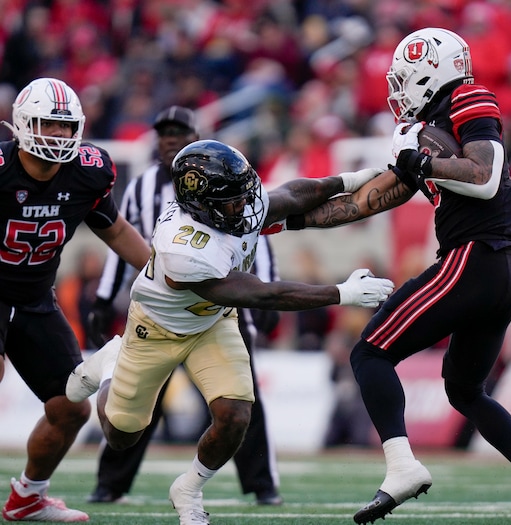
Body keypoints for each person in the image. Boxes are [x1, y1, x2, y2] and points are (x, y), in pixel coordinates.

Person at [278, 27, 511, 525]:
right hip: (501, 271)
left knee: (369, 352)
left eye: (403, 78)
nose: (396, 90)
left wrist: (425, 160)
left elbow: (485, 176)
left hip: (475, 257)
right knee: (465, 389)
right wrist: (292, 220)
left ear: (429, 70)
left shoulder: (468, 96)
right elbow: (369, 200)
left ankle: (402, 466)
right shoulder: (421, 133)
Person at [65, 139, 394, 525]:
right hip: (156, 327)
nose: (243, 206)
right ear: (200, 204)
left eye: (243, 195)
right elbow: (263, 294)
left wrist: (349, 179)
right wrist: (342, 293)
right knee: (122, 435)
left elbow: (294, 194)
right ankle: (109, 363)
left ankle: (188, 488)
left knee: (236, 415)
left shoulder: (233, 202)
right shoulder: (182, 248)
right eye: (232, 201)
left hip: (212, 322)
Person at [85, 106, 284, 506]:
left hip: (220, 309)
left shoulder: (225, 178)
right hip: (163, 311)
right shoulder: (142, 187)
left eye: (180, 132)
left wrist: (267, 290)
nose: (170, 139)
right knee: (143, 402)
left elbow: (255, 236)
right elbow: (122, 240)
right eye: (164, 133)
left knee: (240, 402)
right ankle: (111, 484)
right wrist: (105, 297)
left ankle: (262, 484)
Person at [0, 77, 151, 522]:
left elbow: (116, 229)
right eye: (48, 125)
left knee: (71, 407)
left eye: (66, 127)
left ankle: (28, 497)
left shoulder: (88, 171)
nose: (59, 136)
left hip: (33, 298)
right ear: (24, 125)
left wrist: (164, 274)